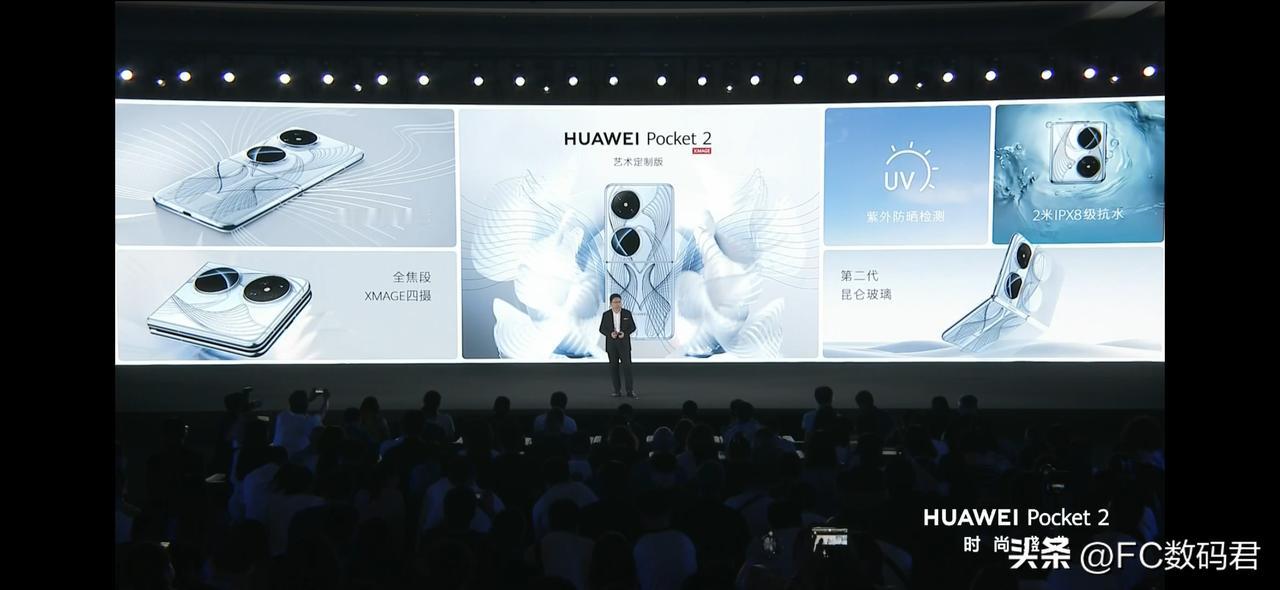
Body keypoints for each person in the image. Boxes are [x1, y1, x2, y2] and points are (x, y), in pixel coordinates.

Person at [598, 293, 637, 399]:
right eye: (615, 302)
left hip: (624, 344)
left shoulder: (627, 313)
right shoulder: (606, 315)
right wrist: (610, 334)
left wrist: (625, 333)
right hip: (612, 345)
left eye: (619, 302)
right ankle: (616, 391)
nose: (617, 304)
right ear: (611, 303)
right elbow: (601, 329)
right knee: (614, 368)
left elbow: (633, 327)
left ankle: (630, 391)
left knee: (627, 368)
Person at [273, 389, 330, 458]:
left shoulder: (281, 416)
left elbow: (293, 406)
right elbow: (322, 414)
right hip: (298, 460)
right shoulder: (310, 421)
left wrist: (308, 400)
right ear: (306, 405)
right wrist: (326, 399)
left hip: (276, 457)